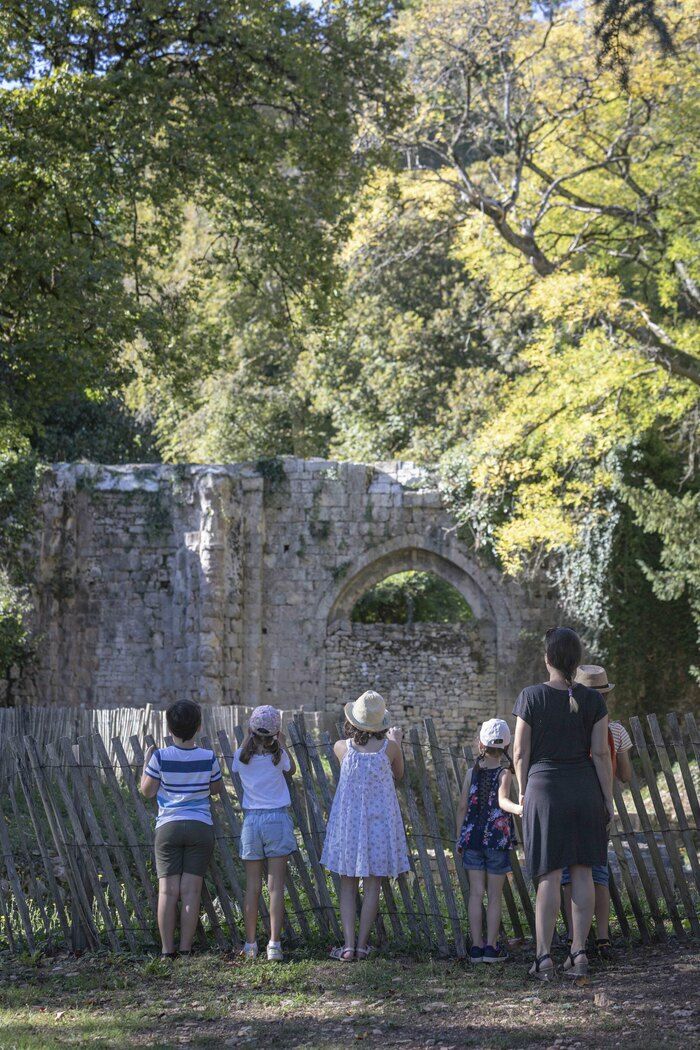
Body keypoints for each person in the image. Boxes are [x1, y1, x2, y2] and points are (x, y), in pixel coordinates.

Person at [513, 628, 613, 980]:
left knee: (549, 875)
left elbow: (520, 752)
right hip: (585, 790)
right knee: (583, 871)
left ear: (547, 658)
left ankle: (543, 959)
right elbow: (600, 754)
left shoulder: (531, 696)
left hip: (545, 791)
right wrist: (607, 798)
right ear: (576, 660)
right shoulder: (593, 701)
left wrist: (523, 792)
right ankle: (579, 953)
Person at [321, 690, 409, 961]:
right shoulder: (389, 748)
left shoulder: (341, 747)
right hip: (379, 825)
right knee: (373, 886)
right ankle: (362, 944)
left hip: (349, 825)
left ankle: (347, 946)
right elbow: (400, 774)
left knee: (347, 885)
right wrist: (396, 741)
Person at [140, 699, 223, 958]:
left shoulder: (160, 757)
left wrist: (145, 764)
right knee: (191, 890)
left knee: (168, 890)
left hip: (168, 827)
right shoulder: (208, 757)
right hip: (200, 827)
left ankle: (167, 951)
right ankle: (186, 949)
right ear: (198, 727)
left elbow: (147, 791)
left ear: (169, 728)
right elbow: (216, 789)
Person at [561, 664, 633, 958]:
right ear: (606, 696)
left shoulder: (567, 725)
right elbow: (626, 775)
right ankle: (602, 938)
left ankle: (574, 939)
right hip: (597, 806)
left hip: (566, 802)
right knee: (598, 874)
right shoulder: (615, 730)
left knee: (568, 874)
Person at [232, 705, 297, 962]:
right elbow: (291, 770)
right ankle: (274, 944)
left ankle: (250, 944)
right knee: (275, 888)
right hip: (277, 819)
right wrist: (282, 743)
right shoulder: (278, 756)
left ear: (250, 729)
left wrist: (247, 738)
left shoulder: (241, 756)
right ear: (276, 732)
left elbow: (239, 762)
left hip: (251, 822)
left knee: (252, 888)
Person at [455, 718, 523, 964]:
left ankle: (475, 947)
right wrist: (517, 808)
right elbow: (503, 801)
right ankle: (491, 948)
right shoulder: (504, 773)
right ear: (506, 745)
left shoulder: (470, 772)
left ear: (481, 743)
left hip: (471, 840)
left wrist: (459, 838)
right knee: (494, 896)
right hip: (496, 841)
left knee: (475, 894)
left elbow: (463, 806)